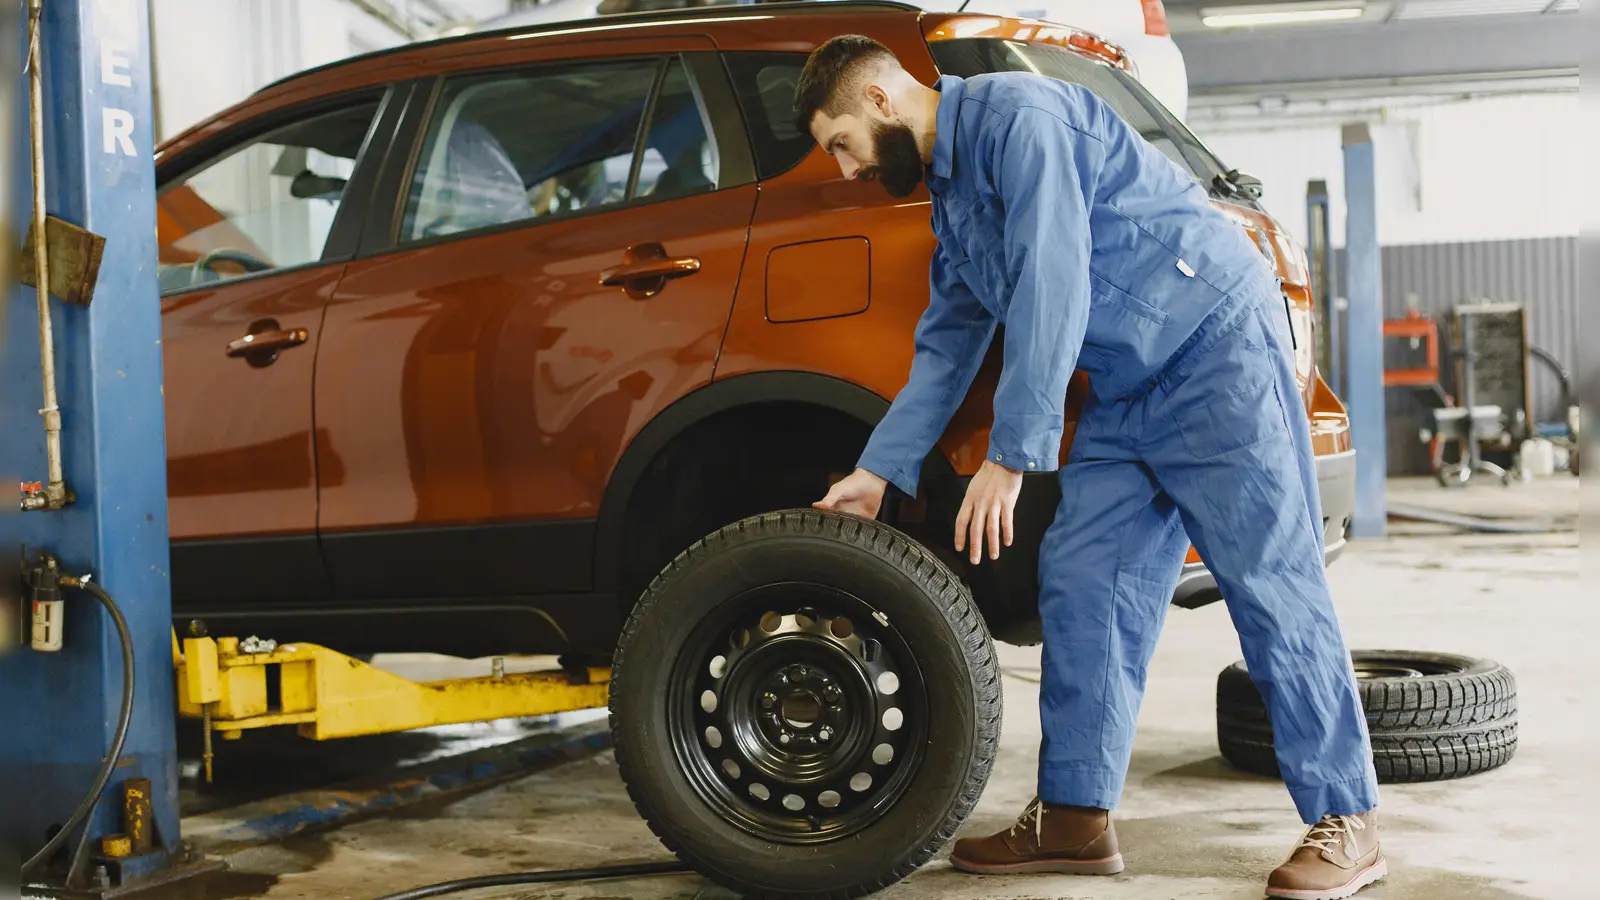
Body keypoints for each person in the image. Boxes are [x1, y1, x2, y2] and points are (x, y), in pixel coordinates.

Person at [794, 35, 1386, 900]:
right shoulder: (952, 195)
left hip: (1214, 351)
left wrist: (1013, 454)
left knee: (1270, 581)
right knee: (1083, 578)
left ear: (881, 100)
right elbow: (952, 338)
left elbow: (1054, 278)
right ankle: (1075, 819)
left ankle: (1349, 820)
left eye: (840, 142)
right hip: (1126, 386)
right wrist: (879, 469)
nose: (844, 168)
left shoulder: (1020, 121)